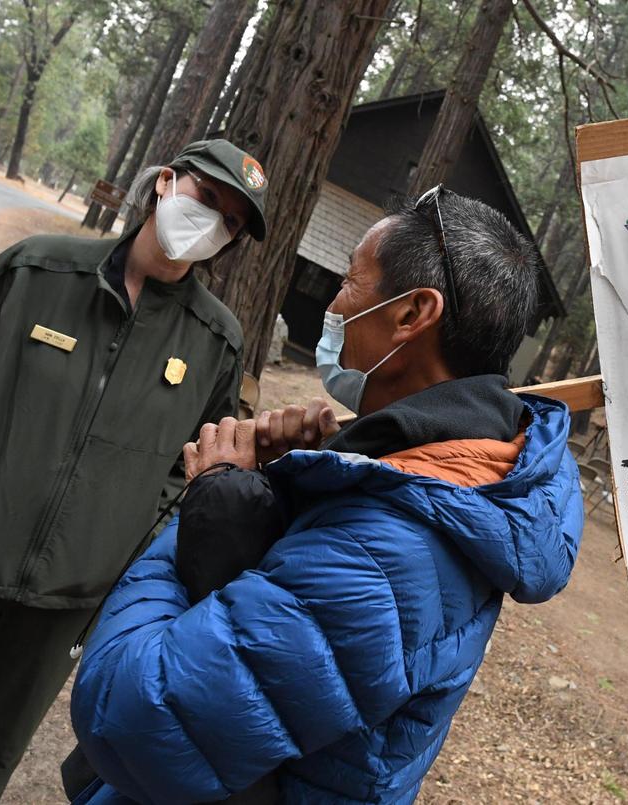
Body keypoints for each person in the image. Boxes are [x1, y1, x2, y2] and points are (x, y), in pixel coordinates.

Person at [69, 187, 585, 803]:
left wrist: (214, 494)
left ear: (411, 313)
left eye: (350, 281)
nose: (335, 304)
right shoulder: (448, 469)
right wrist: (288, 477)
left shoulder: (389, 549)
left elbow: (131, 715)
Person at [0, 138, 268, 804]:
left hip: (61, 604)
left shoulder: (216, 341)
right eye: (205, 196)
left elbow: (191, 471)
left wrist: (119, 544)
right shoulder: (40, 269)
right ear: (165, 183)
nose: (211, 220)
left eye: (231, 221)